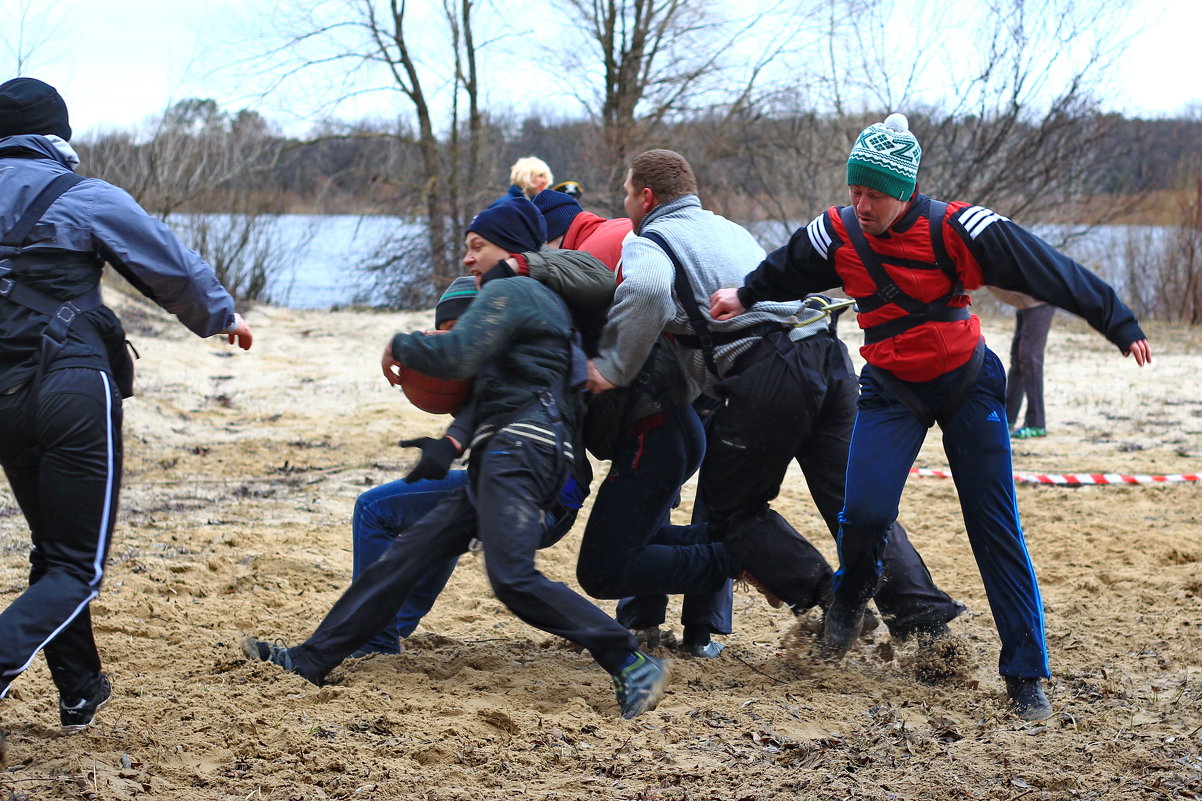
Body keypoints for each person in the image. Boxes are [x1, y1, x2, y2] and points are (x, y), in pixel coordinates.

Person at [710, 113, 1151, 720]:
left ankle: (1025, 674)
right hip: (891, 388)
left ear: (905, 189)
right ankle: (852, 593)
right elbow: (784, 266)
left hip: (968, 385)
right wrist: (744, 295)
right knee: (863, 512)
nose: (861, 204)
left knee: (993, 528)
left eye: (874, 194)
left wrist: (1117, 321)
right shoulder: (835, 231)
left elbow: (1050, 268)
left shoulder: (961, 228)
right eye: (854, 191)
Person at [242, 197, 670, 720]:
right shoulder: (530, 298)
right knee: (401, 561)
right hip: (509, 452)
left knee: (513, 578)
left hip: (523, 453)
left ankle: (628, 660)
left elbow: (457, 354)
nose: (468, 260)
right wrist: (447, 447)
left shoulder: (513, 290)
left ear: (509, 247)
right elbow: (490, 388)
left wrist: (400, 343)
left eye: (477, 247)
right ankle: (312, 659)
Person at [585, 150, 962, 652]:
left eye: (628, 194)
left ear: (646, 197)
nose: (625, 204)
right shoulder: (729, 230)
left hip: (770, 372)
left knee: (733, 513)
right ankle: (926, 625)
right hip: (825, 352)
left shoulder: (649, 239)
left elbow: (651, 292)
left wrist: (612, 368)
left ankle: (829, 597)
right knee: (853, 504)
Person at [0, 77, 254, 760]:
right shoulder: (83, 195)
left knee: (55, 547)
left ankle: (80, 685)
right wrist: (222, 318)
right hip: (72, 389)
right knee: (75, 566)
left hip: (4, 401)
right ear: (58, 137)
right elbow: (168, 265)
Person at [533, 187, 738, 658]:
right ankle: (694, 627)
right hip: (700, 384)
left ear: (552, 237)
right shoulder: (617, 232)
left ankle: (657, 617)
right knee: (666, 514)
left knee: (620, 546)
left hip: (667, 398)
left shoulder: (594, 251)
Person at [989, 288, 1055, 438]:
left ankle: (1036, 424)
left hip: (1040, 302)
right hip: (1024, 304)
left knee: (1030, 357)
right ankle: (1007, 418)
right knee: (1018, 358)